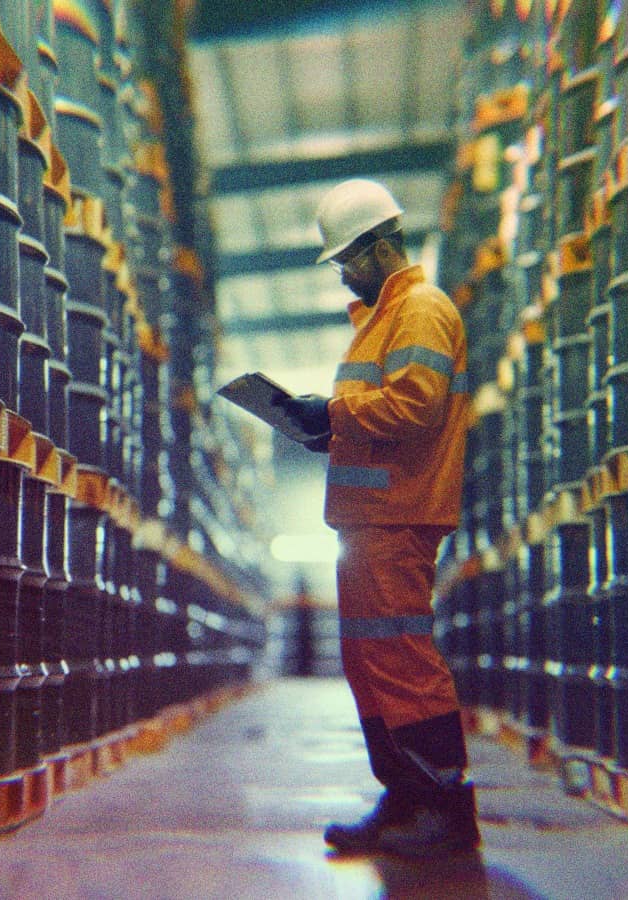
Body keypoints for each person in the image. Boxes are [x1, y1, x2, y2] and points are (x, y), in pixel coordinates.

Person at [272, 178, 477, 857]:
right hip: (368, 520)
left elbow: (416, 406)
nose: (342, 276)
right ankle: (404, 799)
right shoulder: (381, 321)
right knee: (370, 662)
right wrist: (322, 426)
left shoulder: (420, 311)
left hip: (399, 515)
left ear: (380, 248)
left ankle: (444, 808)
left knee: (402, 659)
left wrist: (328, 414)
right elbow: (374, 415)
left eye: (346, 262)